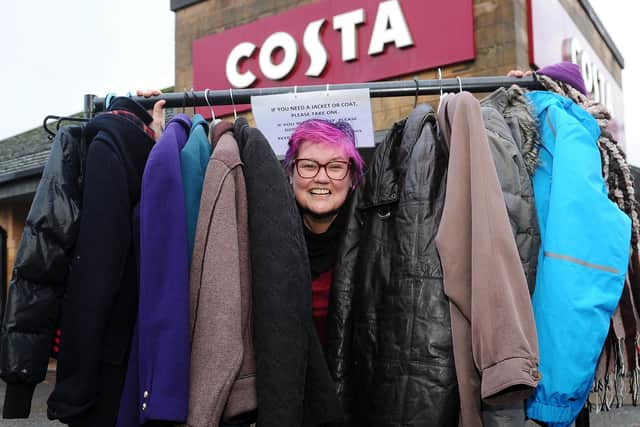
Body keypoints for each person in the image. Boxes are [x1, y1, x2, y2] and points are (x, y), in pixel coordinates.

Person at [282, 119, 365, 344]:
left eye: (335, 166)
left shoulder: (373, 243)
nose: (321, 177)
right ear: (291, 173)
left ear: (353, 179)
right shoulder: (268, 241)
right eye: (309, 165)